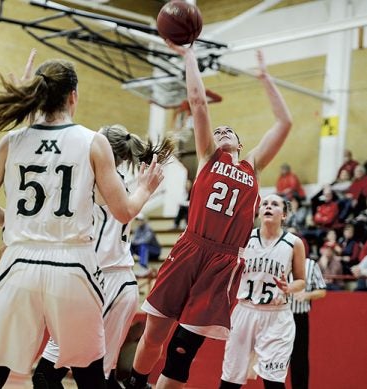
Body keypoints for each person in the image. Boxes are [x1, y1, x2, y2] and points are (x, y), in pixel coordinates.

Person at [0, 52, 164, 389]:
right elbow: (125, 211)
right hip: (72, 267)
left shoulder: (13, 141)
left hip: (18, 265)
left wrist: (13, 222)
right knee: (88, 374)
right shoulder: (92, 141)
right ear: (74, 96)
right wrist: (144, 188)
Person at [124, 43, 293, 389]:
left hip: (222, 262)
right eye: (218, 130)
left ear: (241, 144)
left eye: (229, 130)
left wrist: (266, 79)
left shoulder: (254, 167)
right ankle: (135, 382)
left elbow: (284, 122)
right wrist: (188, 57)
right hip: (189, 248)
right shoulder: (208, 157)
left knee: (182, 351)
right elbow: (199, 104)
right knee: (155, 333)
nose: (222, 131)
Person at [32, 124, 174, 389]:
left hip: (107, 282)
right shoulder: (107, 180)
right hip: (94, 282)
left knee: (86, 378)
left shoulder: (101, 181)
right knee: (51, 377)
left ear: (103, 148)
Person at [219, 194, 305, 388]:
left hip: (277, 317)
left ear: (284, 215)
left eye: (275, 204)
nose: (268, 206)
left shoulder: (294, 243)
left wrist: (289, 287)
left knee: (273, 381)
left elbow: (301, 281)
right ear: (258, 212)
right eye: (264, 203)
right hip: (244, 310)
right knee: (230, 378)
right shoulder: (244, 237)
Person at [289, 257, 326, 389]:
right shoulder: (279, 258)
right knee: (276, 359)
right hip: (279, 316)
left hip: (300, 318)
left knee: (300, 359)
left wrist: (307, 295)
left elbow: (322, 291)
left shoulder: (311, 265)